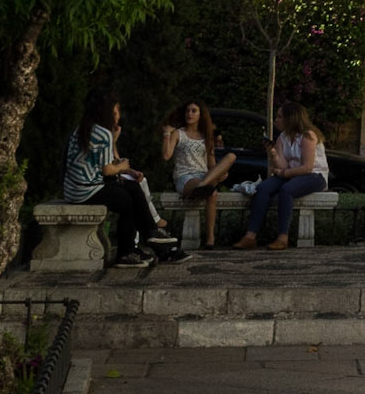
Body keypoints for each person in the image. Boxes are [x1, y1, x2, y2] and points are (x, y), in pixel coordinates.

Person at [63, 89, 176, 266]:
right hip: (86, 191)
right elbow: (107, 170)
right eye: (115, 112)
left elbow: (99, 164)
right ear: (106, 112)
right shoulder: (103, 133)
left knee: (130, 189)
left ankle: (141, 241)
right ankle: (136, 245)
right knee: (127, 201)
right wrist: (123, 166)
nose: (118, 116)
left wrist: (126, 170)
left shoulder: (82, 129)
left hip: (73, 189)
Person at [234, 102, 328, 250]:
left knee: (286, 189)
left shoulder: (308, 136)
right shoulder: (282, 137)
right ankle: (250, 236)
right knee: (263, 188)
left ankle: (282, 237)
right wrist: (272, 154)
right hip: (292, 174)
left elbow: (307, 167)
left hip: (314, 175)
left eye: (279, 117)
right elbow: (282, 165)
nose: (275, 120)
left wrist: (283, 173)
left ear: (291, 119)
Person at [162, 100, 238, 246]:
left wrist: (219, 173)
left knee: (231, 157)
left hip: (204, 176)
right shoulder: (178, 133)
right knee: (212, 193)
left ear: (200, 115)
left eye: (194, 111)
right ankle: (210, 238)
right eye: (187, 111)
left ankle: (203, 187)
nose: (189, 114)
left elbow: (211, 164)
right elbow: (166, 156)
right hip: (185, 177)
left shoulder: (206, 136)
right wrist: (166, 134)